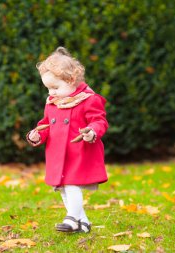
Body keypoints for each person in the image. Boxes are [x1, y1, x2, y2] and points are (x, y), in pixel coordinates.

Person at [26, 47, 108, 233]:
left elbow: (99, 121)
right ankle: (83, 222)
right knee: (62, 187)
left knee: (71, 184)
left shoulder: (88, 99)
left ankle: (71, 219)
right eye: (48, 88)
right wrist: (37, 135)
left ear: (71, 80)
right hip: (57, 153)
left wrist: (91, 132)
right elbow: (46, 125)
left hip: (79, 151)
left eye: (55, 87)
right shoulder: (53, 102)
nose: (51, 92)